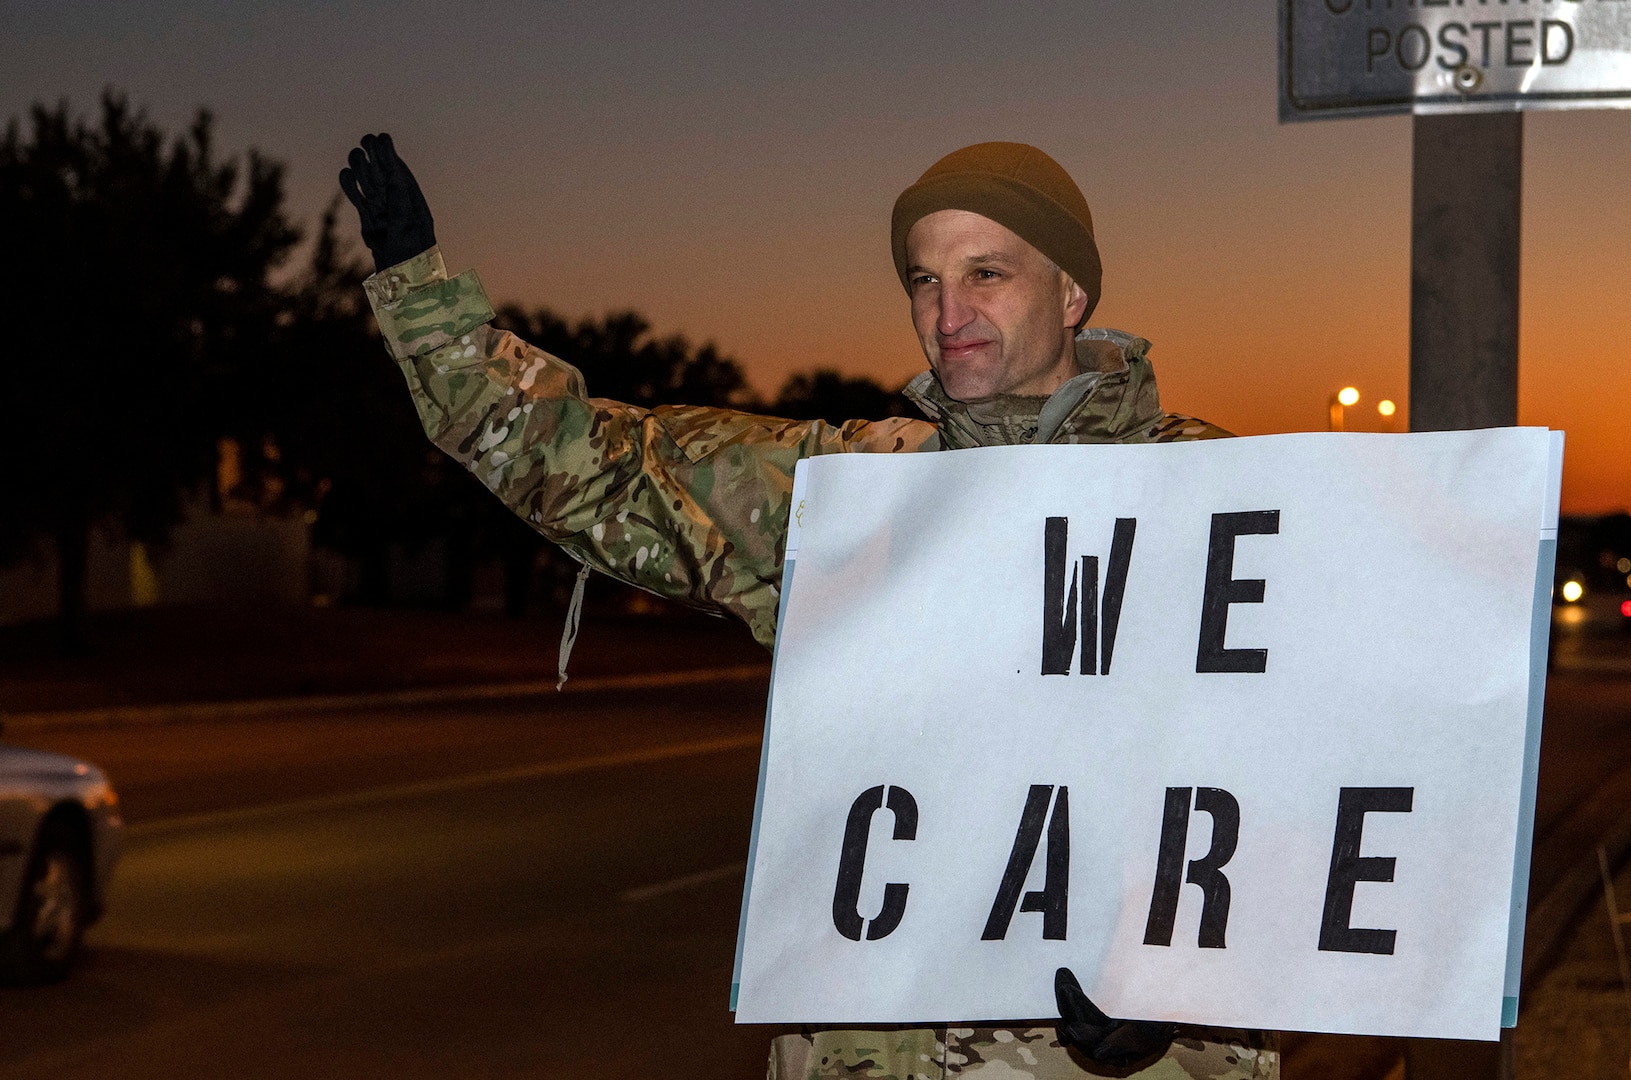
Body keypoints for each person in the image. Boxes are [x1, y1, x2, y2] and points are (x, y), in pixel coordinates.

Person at [342, 133, 1278, 1079]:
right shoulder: (853, 494)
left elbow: (1334, 783)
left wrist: (1185, 974)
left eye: (985, 273)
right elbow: (601, 463)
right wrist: (427, 307)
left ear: (1071, 294)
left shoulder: (1212, 497)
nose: (947, 312)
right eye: (923, 280)